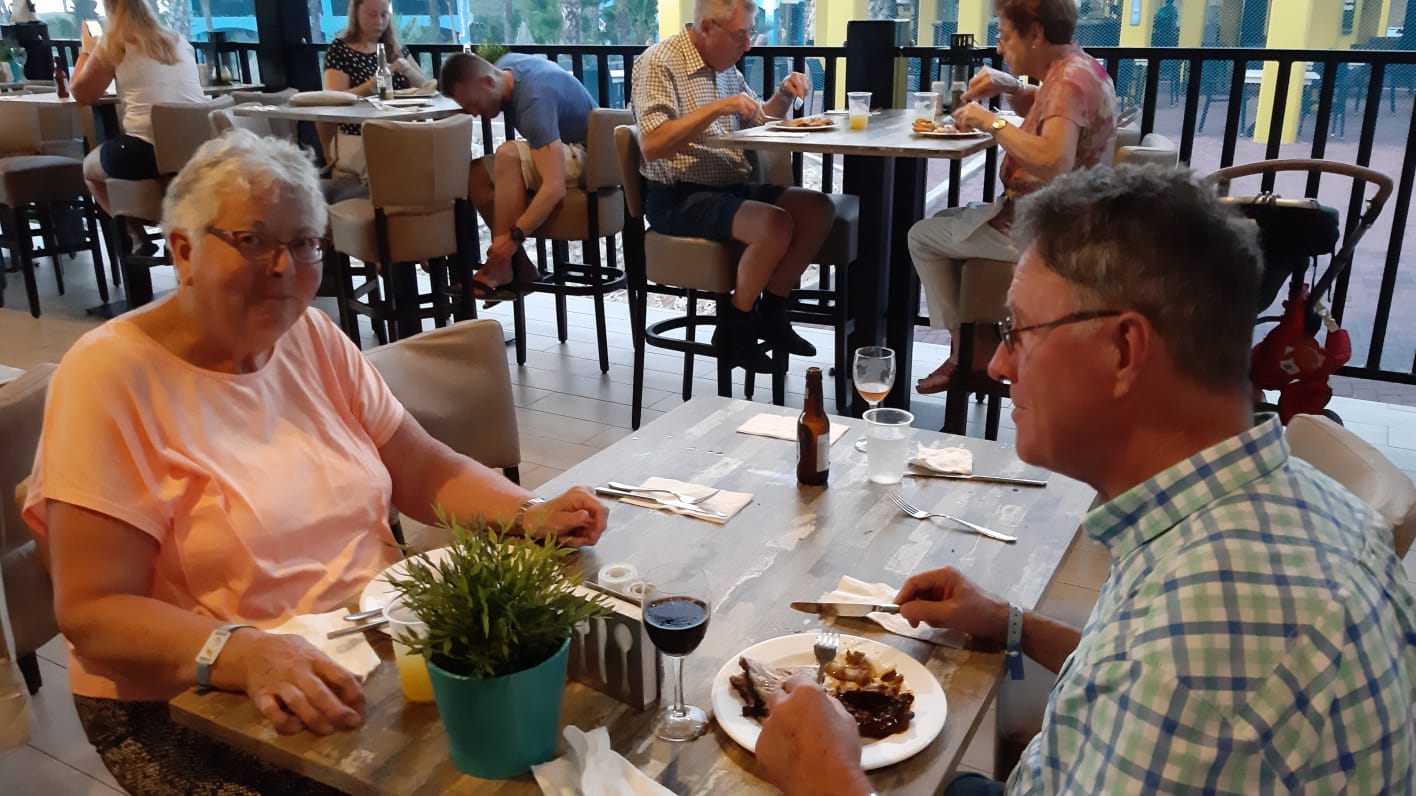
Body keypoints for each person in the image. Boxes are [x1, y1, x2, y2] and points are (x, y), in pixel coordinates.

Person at [757, 165, 1416, 795]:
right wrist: (1012, 624)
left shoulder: (1197, 656)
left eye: (1018, 331)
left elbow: (1174, 682)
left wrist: (828, 783)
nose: (1000, 365)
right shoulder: (1273, 510)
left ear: (1124, 351)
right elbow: (1131, 676)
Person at [21, 130, 609, 794]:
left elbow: (423, 467)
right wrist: (242, 653)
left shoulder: (309, 335)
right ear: (183, 250)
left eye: (304, 243)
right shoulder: (108, 375)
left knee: (561, 721)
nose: (284, 268)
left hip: (366, 644)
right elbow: (95, 612)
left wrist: (527, 513)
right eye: (253, 240)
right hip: (199, 699)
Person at [908, 0, 1116, 394]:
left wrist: (990, 121)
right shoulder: (1080, 68)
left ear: (1035, 33)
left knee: (921, 236)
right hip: (1067, 220)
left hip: (1049, 233)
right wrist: (1012, 85)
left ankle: (966, 352)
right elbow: (1046, 108)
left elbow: (1054, 160)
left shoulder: (1069, 81)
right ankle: (978, 341)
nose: (999, 47)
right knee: (948, 220)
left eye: (1004, 37)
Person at [631, 0, 836, 372]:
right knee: (774, 223)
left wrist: (784, 95)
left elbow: (760, 117)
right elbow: (652, 143)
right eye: (741, 35)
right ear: (708, 27)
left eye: (750, 34)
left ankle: (771, 312)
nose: (748, 45)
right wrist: (717, 107)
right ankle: (735, 330)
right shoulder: (658, 62)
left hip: (729, 186)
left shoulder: (725, 65)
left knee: (817, 208)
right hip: (678, 196)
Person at [439, 51, 597, 300]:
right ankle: (520, 268)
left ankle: (500, 266)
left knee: (509, 154)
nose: (473, 113)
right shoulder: (507, 67)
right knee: (476, 174)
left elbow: (554, 187)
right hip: (566, 145)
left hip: (593, 157)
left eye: (473, 103)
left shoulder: (534, 98)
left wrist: (514, 238)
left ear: (488, 82)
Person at [70, 0, 205, 255]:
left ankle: (135, 232)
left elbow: (81, 93)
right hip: (197, 146)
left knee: (90, 169)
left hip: (146, 150)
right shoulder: (179, 41)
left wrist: (87, 50)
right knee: (154, 162)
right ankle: (171, 229)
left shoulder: (113, 44)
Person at [322, 0, 429, 173]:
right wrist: (371, 86)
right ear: (356, 13)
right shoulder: (340, 50)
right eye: (372, 15)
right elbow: (335, 100)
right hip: (358, 135)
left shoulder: (394, 48)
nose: (379, 21)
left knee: (432, 157)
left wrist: (408, 71)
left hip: (400, 131)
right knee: (393, 166)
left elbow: (427, 88)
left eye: (384, 15)